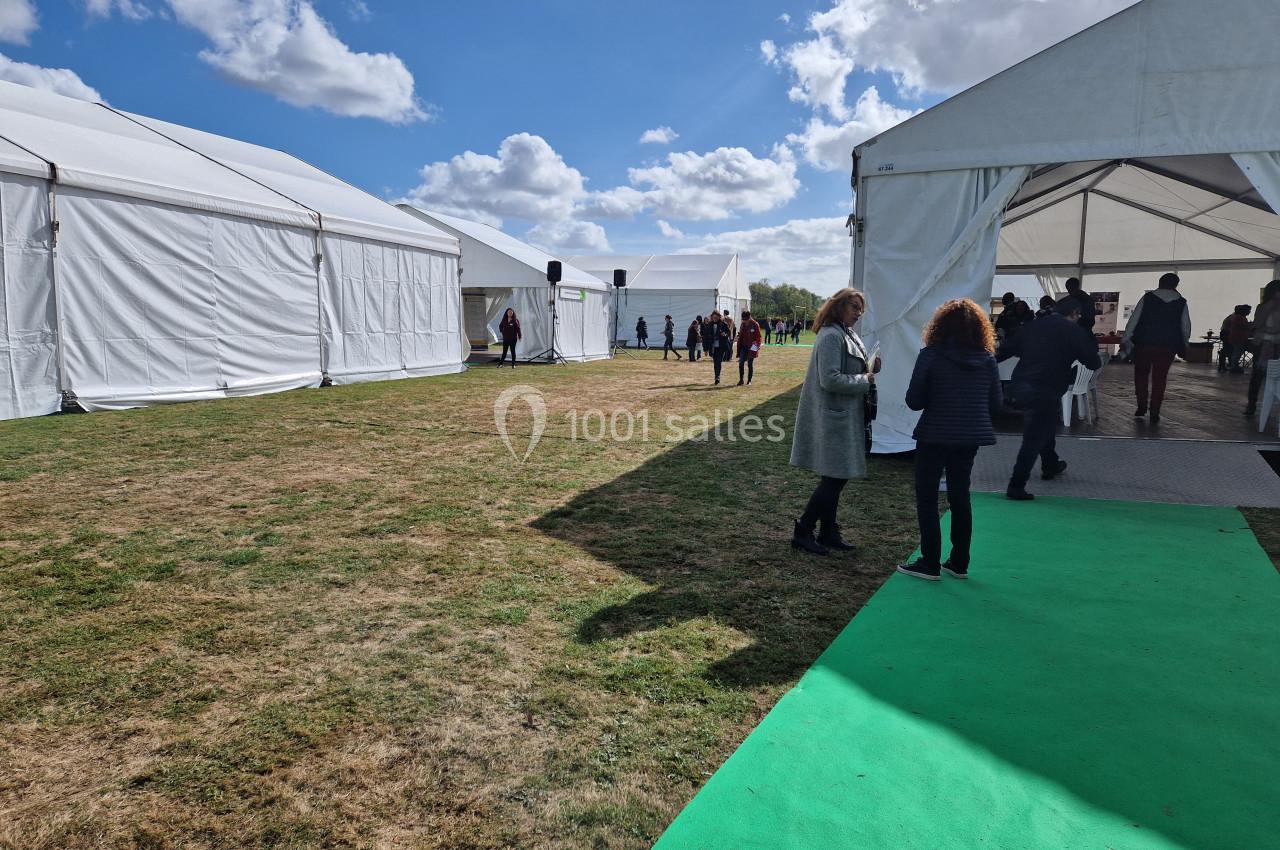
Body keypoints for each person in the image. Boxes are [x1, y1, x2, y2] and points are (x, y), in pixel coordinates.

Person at [898, 299, 1002, 581]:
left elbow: (914, 401)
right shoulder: (987, 359)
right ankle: (959, 561)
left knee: (928, 498)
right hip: (970, 436)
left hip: (935, 434)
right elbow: (996, 403)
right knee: (960, 495)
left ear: (939, 326)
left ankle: (929, 562)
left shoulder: (930, 355)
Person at [789, 288, 880, 555]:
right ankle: (804, 530)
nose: (858, 312)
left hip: (843, 415)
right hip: (834, 417)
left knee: (834, 477)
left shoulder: (845, 333)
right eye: (854, 306)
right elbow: (829, 379)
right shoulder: (831, 335)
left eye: (860, 307)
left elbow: (847, 370)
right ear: (839, 306)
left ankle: (828, 531)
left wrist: (870, 368)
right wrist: (865, 380)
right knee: (834, 479)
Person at [1000, 297, 1101, 500]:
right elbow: (1092, 361)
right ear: (1073, 313)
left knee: (1043, 425)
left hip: (1020, 384)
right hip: (1047, 386)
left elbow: (1005, 351)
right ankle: (1016, 485)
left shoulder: (1032, 326)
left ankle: (1050, 464)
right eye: (1078, 314)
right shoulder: (1074, 332)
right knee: (1033, 436)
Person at [1123, 272, 1191, 424]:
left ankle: (1141, 405)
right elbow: (1185, 326)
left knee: (1141, 374)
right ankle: (1155, 409)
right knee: (1160, 378)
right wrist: (1185, 343)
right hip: (1168, 346)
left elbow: (1134, 319)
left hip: (1144, 343)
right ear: (1176, 285)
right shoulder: (1181, 302)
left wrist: (1126, 338)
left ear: (1160, 282)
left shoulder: (1148, 298)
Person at [1245, 280, 1280, 416]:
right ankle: (1251, 404)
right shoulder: (1263, 307)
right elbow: (1258, 324)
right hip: (1264, 346)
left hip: (1276, 345)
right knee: (1258, 376)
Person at [736, 310, 763, 385]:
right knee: (741, 363)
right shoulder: (743, 324)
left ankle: (749, 380)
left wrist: (757, 343)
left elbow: (759, 336)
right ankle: (741, 380)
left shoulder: (755, 324)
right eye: (743, 320)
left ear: (749, 318)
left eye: (746, 320)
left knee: (750, 364)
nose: (745, 321)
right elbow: (740, 334)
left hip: (752, 347)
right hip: (743, 347)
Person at [1222, 305, 1251, 374]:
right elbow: (1243, 326)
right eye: (1248, 311)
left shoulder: (1237, 317)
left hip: (1237, 337)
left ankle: (1233, 365)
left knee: (1236, 352)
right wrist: (1249, 325)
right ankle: (1233, 366)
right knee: (1237, 352)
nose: (1249, 312)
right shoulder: (1239, 318)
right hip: (1237, 338)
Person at [707, 311, 731, 384]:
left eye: (716, 317)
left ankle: (718, 377)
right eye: (713, 317)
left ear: (719, 317)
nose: (715, 318)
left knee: (719, 362)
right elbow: (707, 335)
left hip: (721, 346)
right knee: (715, 362)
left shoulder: (723, 324)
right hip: (713, 346)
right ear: (712, 317)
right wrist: (706, 348)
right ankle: (716, 376)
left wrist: (725, 334)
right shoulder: (710, 324)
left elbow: (729, 332)